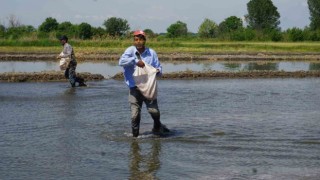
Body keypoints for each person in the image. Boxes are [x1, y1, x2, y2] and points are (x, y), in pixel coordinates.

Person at [119, 30, 169, 137]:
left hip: (149, 87)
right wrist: (135, 61)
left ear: (144, 40)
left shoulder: (151, 53)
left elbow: (158, 67)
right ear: (134, 41)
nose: (138, 42)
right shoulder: (130, 51)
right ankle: (135, 138)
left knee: (154, 112)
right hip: (134, 88)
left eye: (141, 39)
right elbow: (121, 62)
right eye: (136, 39)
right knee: (134, 115)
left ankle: (157, 125)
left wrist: (158, 71)